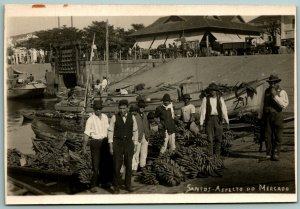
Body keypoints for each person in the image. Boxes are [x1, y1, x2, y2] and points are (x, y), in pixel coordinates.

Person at [108, 99, 138, 194]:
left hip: (129, 143)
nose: (122, 110)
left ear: (127, 108)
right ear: (118, 108)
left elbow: (135, 131)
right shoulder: (114, 117)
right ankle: (116, 186)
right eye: (120, 108)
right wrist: (111, 146)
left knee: (129, 165)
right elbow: (110, 132)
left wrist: (135, 144)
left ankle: (128, 185)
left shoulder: (132, 117)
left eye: (124, 108)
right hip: (118, 143)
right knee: (117, 166)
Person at [83, 100, 109, 193]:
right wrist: (84, 147)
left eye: (99, 109)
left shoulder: (105, 117)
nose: (98, 110)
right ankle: (93, 185)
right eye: (96, 109)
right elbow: (86, 133)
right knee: (96, 165)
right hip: (95, 143)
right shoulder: (90, 119)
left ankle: (103, 182)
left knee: (104, 163)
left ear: (101, 109)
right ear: (94, 109)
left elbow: (109, 130)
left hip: (105, 142)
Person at [262, 75, 289, 161]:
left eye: (274, 82)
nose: (272, 84)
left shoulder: (282, 92)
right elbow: (262, 104)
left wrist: (275, 96)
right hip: (267, 116)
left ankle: (276, 154)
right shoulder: (266, 91)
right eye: (270, 83)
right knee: (267, 136)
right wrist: (260, 116)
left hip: (277, 115)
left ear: (277, 83)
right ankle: (269, 154)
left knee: (278, 135)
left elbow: (284, 105)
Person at [199, 83, 229, 156]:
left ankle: (217, 156)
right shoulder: (205, 99)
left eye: (214, 90)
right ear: (209, 91)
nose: (212, 92)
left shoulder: (220, 99)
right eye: (211, 90)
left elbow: (224, 110)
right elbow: (202, 111)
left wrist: (227, 122)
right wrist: (201, 123)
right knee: (210, 139)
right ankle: (211, 156)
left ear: (216, 91)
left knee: (218, 138)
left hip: (218, 119)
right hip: (209, 120)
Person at [132, 100, 150, 174]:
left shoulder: (145, 115)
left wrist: (148, 134)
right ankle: (134, 168)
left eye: (143, 107)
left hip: (145, 136)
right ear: (138, 107)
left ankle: (142, 166)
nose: (142, 108)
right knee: (136, 153)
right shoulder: (134, 115)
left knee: (144, 153)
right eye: (141, 107)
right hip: (137, 136)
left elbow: (146, 125)